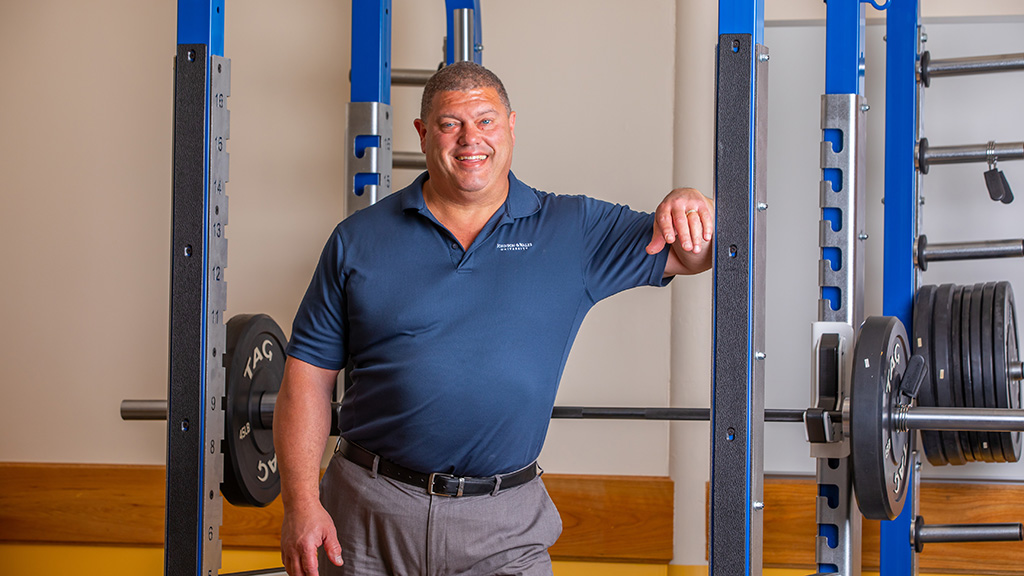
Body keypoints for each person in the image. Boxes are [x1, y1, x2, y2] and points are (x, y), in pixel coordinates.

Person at [274, 61, 714, 576]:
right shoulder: (358, 239)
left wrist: (698, 204)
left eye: (485, 121)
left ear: (510, 126)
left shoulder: (573, 229)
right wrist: (301, 504)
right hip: (367, 513)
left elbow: (696, 254)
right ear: (422, 132)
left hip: (503, 523)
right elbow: (306, 380)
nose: (470, 140)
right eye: (449, 124)